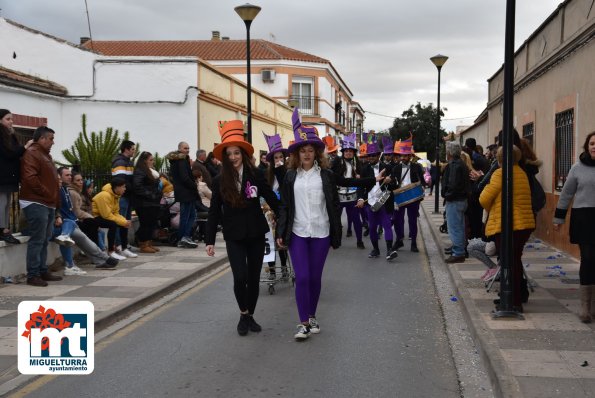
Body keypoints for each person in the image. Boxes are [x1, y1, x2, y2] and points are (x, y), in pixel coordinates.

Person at [205, 119, 279, 336]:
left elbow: (271, 198)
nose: (233, 157)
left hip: (256, 232)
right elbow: (214, 211)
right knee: (240, 278)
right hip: (234, 235)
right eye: (229, 154)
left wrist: (283, 216)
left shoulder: (256, 174)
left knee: (254, 278)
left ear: (243, 154)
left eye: (237, 153)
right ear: (225, 157)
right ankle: (243, 312)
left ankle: (249, 316)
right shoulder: (219, 179)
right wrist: (209, 240)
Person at [276, 109, 341, 340]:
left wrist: (336, 234)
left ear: (316, 153)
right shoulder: (290, 176)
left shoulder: (326, 175)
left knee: (315, 278)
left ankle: (312, 316)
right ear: (297, 153)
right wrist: (280, 231)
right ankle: (303, 322)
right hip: (298, 232)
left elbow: (334, 205)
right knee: (302, 277)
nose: (306, 154)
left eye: (310, 150)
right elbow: (284, 205)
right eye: (302, 150)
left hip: (321, 232)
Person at [480, 145, 535, 312]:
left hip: (508, 224)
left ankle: (513, 301)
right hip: (523, 224)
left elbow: (484, 198)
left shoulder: (500, 173)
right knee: (514, 260)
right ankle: (512, 295)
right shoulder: (521, 172)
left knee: (509, 262)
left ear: (500, 159)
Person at [553, 131, 595, 322]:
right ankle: (585, 307)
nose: (594, 147)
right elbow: (566, 194)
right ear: (587, 146)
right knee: (587, 258)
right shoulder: (577, 168)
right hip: (584, 218)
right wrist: (558, 218)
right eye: (592, 143)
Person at [19, 126, 63, 286]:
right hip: (36, 201)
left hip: (47, 202)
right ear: (42, 139)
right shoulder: (32, 153)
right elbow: (30, 178)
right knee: (37, 239)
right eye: (51, 138)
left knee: (44, 239)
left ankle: (42, 270)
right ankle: (33, 275)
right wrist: (47, 193)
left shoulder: (45, 155)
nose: (53, 142)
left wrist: (53, 198)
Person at [358, 138, 398, 261]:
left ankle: (389, 250)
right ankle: (375, 249)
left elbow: (395, 185)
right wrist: (360, 198)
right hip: (370, 203)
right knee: (373, 227)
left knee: (387, 226)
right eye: (369, 156)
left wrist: (389, 181)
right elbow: (361, 186)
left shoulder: (388, 167)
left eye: (373, 155)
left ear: (378, 155)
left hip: (384, 201)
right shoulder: (364, 169)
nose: (370, 158)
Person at [0, 109, 32, 244]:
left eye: (11, 119)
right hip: (2, 176)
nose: (11, 121)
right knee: (2, 203)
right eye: (8, 119)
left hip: (9, 176)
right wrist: (25, 147)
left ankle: (4, 229)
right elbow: (9, 153)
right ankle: (2, 230)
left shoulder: (9, 135)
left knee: (7, 203)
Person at [331, 133, 365, 249]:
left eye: (350, 151)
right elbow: (331, 176)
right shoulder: (337, 161)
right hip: (339, 194)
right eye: (346, 151)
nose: (348, 153)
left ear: (354, 152)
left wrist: (360, 197)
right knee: (336, 219)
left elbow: (362, 183)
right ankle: (337, 240)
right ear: (343, 152)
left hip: (353, 195)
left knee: (356, 220)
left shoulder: (359, 164)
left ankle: (359, 241)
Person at [391, 137, 425, 253]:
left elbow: (422, 181)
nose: (403, 158)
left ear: (410, 156)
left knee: (412, 220)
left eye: (405, 156)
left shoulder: (417, 167)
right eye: (402, 156)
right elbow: (392, 183)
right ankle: (399, 239)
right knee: (397, 219)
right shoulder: (396, 168)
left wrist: (423, 187)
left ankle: (414, 243)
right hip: (400, 196)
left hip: (413, 196)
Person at [263, 131, 289, 278]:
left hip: (282, 213)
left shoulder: (289, 174)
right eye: (275, 158)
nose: (278, 160)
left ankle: (284, 266)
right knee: (269, 242)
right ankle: (272, 270)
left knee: (281, 242)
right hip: (269, 213)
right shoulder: (267, 174)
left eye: (280, 157)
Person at [441, 141, 470, 264]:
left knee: (454, 227)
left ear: (449, 152)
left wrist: (447, 195)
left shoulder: (454, 165)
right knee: (459, 226)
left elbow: (452, 184)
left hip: (455, 200)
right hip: (461, 199)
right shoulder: (461, 163)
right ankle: (459, 249)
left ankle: (458, 253)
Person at [167, 142, 199, 248]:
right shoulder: (181, 160)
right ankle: (183, 237)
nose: (187, 150)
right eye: (185, 148)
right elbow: (185, 178)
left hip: (185, 192)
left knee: (190, 215)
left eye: (188, 148)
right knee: (187, 216)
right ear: (180, 149)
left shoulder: (180, 160)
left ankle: (185, 237)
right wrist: (194, 185)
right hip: (186, 192)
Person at [92, 177, 133, 259]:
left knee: (124, 223)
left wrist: (125, 221)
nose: (125, 189)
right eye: (123, 187)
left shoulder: (116, 195)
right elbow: (106, 215)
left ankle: (123, 249)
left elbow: (116, 213)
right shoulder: (104, 195)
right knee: (112, 224)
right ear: (117, 187)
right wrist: (122, 222)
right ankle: (111, 251)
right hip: (94, 217)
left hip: (103, 216)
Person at [111, 140, 138, 258]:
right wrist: (131, 188)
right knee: (120, 221)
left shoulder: (128, 162)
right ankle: (118, 246)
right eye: (132, 149)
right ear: (126, 149)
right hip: (122, 196)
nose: (134, 151)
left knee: (126, 222)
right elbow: (120, 181)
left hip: (127, 195)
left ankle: (124, 245)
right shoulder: (120, 162)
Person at [133, 151, 162, 253]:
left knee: (152, 222)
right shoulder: (140, 171)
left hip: (152, 202)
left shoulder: (150, 171)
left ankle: (149, 242)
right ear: (144, 161)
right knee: (146, 223)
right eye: (151, 160)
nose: (153, 162)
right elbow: (137, 186)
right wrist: (150, 194)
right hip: (144, 203)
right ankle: (143, 244)